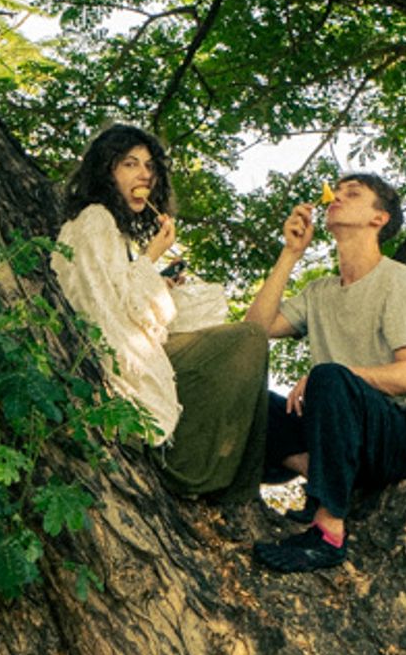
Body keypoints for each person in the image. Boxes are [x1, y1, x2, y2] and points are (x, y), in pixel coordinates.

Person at [52, 124, 270, 501]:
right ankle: (196, 472)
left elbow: (123, 293)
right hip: (113, 360)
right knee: (248, 339)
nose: (144, 176)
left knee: (235, 349)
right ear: (106, 171)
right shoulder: (95, 219)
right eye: (129, 164)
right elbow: (109, 310)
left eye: (149, 167)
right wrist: (152, 256)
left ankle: (222, 477)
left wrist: (160, 281)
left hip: (123, 346)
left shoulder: (112, 230)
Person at [243, 171, 406, 572]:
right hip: (336, 430)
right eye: (337, 190)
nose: (337, 196)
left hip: (397, 434)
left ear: (378, 219)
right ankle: (330, 479)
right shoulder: (320, 292)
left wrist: (333, 375)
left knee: (330, 377)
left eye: (353, 194)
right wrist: (290, 254)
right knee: (249, 396)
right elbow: (254, 330)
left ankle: (328, 532)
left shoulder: (401, 283)